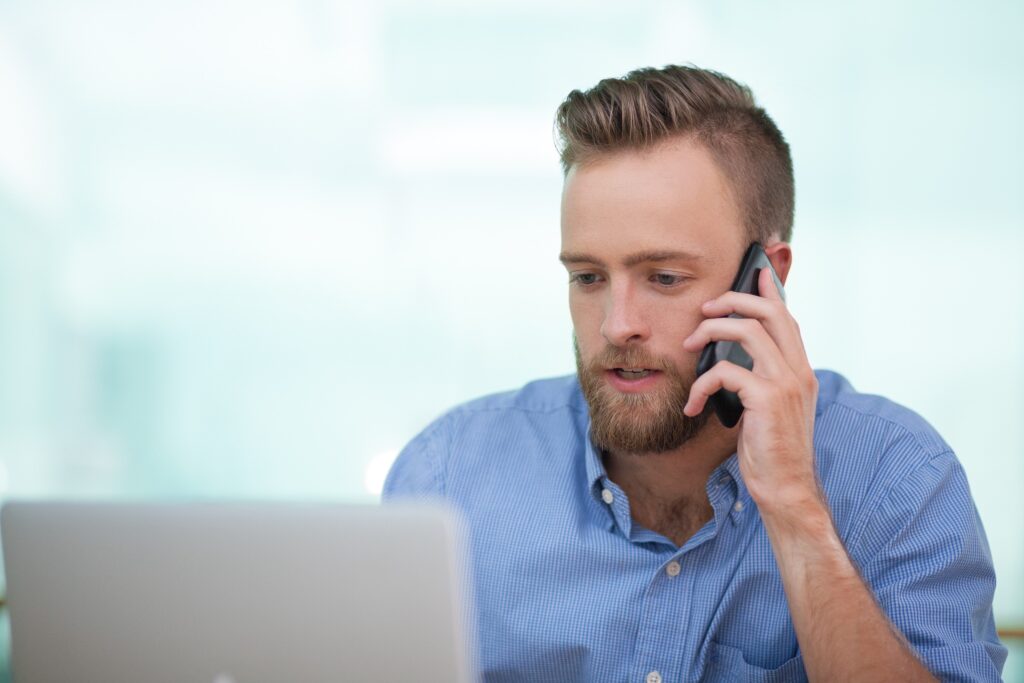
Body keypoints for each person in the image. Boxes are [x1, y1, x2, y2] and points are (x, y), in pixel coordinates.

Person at [383, 65, 1006, 682]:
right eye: (588, 278)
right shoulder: (449, 474)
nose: (615, 326)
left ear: (767, 277)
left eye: (665, 278)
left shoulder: (898, 478)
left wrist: (795, 510)